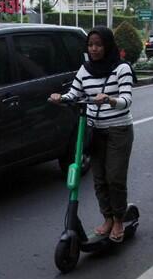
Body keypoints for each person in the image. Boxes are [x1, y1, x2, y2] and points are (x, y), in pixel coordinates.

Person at [49, 26, 134, 243]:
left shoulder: (121, 68)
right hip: (95, 130)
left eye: (98, 44)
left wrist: (109, 99)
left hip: (118, 130)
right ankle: (107, 218)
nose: (94, 49)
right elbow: (74, 93)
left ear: (107, 45)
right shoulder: (85, 69)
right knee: (99, 178)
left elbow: (126, 100)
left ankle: (117, 220)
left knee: (114, 178)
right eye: (90, 45)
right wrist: (61, 98)